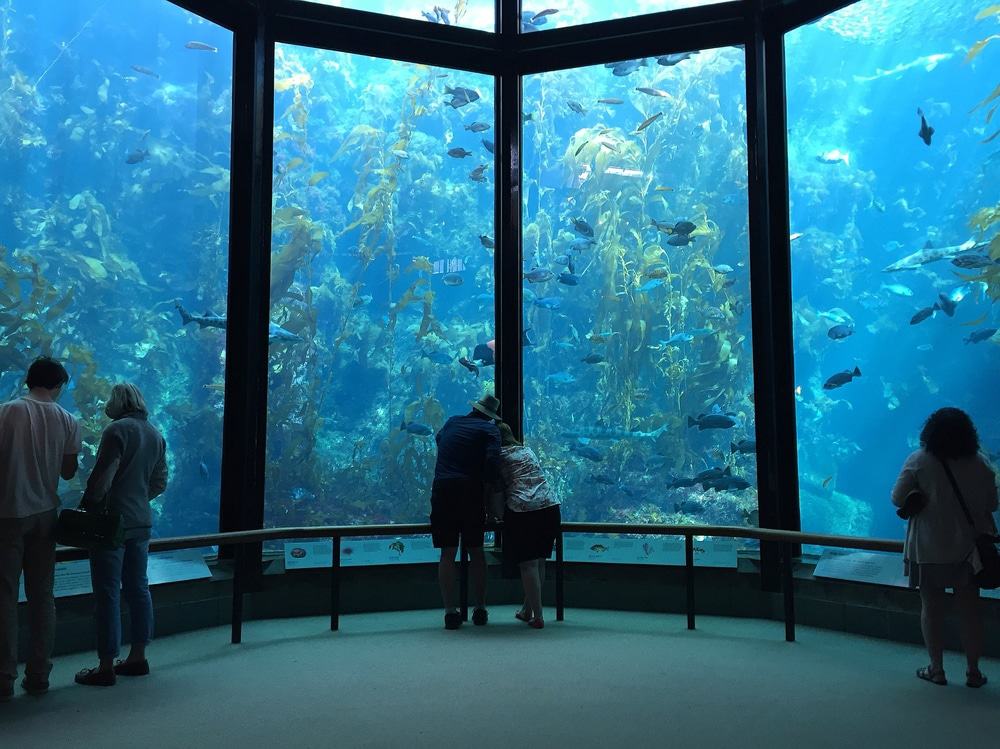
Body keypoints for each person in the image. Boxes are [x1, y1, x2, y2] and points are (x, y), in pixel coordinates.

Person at [891, 407, 998, 688]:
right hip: (969, 553)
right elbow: (993, 505)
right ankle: (973, 671)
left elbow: (896, 498)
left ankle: (936, 669)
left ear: (930, 432)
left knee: (931, 607)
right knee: (970, 611)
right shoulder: (981, 463)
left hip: (929, 549)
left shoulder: (918, 460)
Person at [75, 383, 167, 687]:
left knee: (108, 593)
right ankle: (138, 656)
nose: (106, 404)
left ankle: (105, 665)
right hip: (141, 521)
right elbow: (160, 482)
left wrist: (89, 506)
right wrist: (138, 498)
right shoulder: (155, 434)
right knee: (139, 588)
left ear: (119, 402)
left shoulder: (117, 431)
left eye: (109, 399)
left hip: (111, 523)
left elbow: (104, 475)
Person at [0, 357, 80, 701]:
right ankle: (39, 674)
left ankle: (3, 678)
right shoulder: (67, 419)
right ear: (59, 385)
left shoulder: (6, 412)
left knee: (3, 596)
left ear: (28, 381)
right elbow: (67, 472)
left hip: (7, 512)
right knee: (42, 596)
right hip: (46, 514)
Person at [430, 394, 501, 630]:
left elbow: (440, 440)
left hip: (442, 489)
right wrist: (491, 501)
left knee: (447, 553)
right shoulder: (490, 431)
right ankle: (479, 609)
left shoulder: (452, 422)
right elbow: (492, 463)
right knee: (476, 551)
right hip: (470, 491)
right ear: (490, 416)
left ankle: (450, 612)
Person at [495, 422, 560, 629]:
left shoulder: (498, 456)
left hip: (524, 510)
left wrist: (496, 515)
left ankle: (538, 616)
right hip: (550, 506)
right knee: (540, 562)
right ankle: (528, 610)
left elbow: (496, 491)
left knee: (528, 564)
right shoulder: (527, 450)